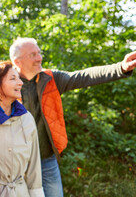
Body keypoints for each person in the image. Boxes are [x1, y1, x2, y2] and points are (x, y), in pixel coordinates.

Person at [9, 37, 136, 197]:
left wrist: (121, 68)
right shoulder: (5, 83)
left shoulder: (51, 79)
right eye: (33, 54)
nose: (39, 58)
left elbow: (84, 76)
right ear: (17, 61)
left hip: (47, 160)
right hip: (16, 164)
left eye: (39, 53)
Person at [0, 61, 44, 197]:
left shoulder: (27, 118)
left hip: (20, 193)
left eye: (19, 78)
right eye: (13, 78)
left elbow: (34, 167)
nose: (20, 83)